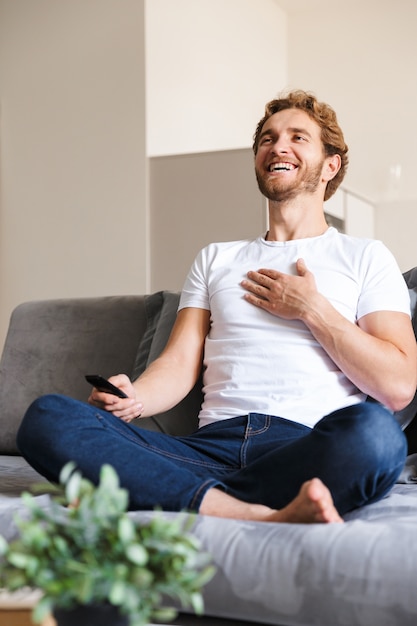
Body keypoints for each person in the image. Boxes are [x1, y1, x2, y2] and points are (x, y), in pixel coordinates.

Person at [17, 90, 417, 524]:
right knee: (48, 417)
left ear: (331, 165)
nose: (278, 146)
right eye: (267, 138)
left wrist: (312, 309)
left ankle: (174, 494)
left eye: (298, 137)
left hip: (304, 450)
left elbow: (397, 386)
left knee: (377, 437)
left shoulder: (365, 256)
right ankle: (248, 510)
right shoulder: (216, 258)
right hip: (207, 449)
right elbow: (179, 365)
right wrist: (134, 398)